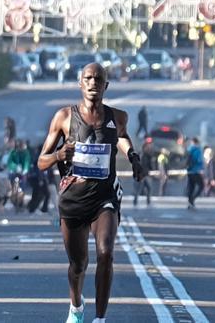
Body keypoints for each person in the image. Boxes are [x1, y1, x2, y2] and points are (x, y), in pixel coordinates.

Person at [38, 63, 146, 323]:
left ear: (106, 85)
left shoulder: (118, 116)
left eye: (98, 79)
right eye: (88, 78)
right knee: (78, 265)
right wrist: (58, 155)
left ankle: (100, 319)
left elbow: (121, 136)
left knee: (106, 253)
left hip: (104, 197)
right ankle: (76, 306)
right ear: (80, 83)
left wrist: (133, 157)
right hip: (73, 199)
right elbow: (41, 161)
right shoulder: (64, 117)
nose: (93, 82)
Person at [185, 137, 204, 209]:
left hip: (189, 171)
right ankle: (192, 199)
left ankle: (190, 202)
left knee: (191, 187)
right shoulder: (197, 150)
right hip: (196, 171)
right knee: (201, 186)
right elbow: (198, 160)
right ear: (197, 142)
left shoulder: (188, 149)